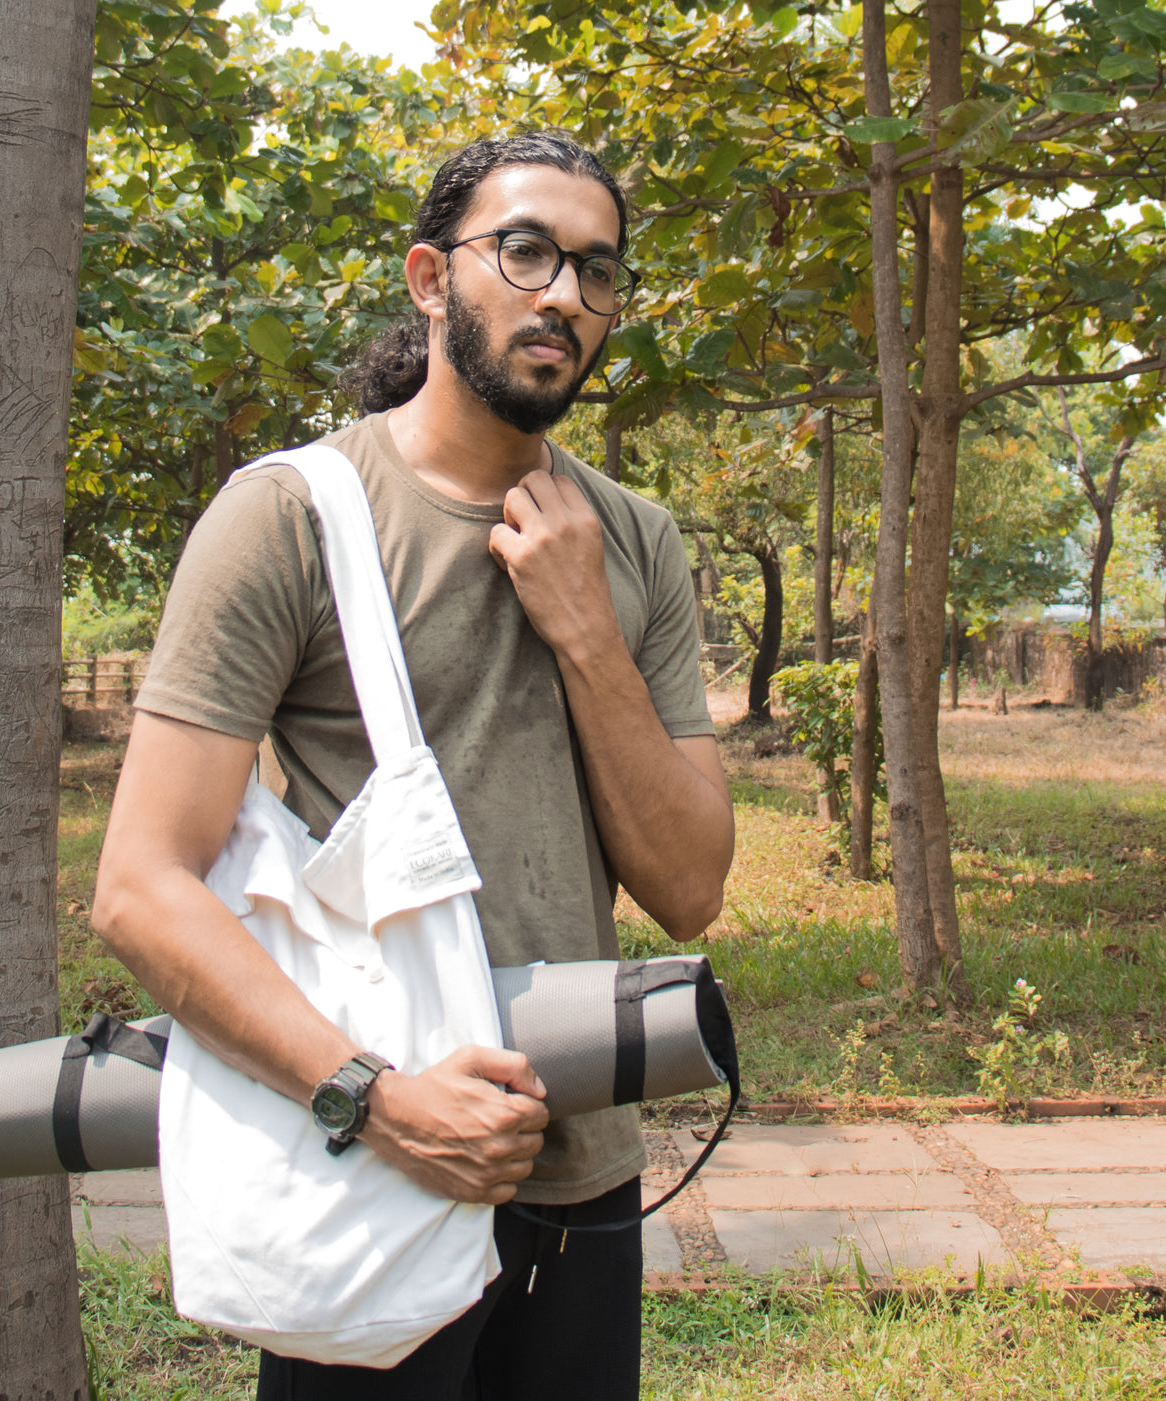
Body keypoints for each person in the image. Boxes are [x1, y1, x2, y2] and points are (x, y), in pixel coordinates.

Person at [92, 131, 735, 1400]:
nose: (562, 293)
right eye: (526, 250)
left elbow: (688, 882)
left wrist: (585, 626)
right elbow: (140, 886)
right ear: (432, 279)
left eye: (596, 270)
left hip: (580, 1173)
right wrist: (375, 1102)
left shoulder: (634, 541)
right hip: (371, 1166)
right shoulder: (289, 515)